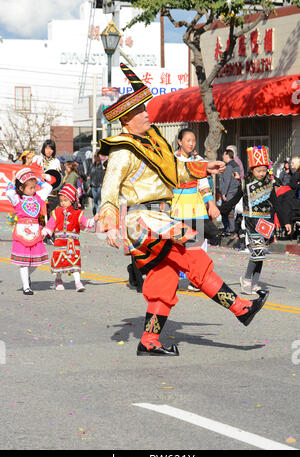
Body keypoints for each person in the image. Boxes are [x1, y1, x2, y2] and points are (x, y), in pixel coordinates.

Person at [97, 63, 269, 357]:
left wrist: (204, 167)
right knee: (193, 256)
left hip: (158, 217)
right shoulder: (122, 150)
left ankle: (149, 341)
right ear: (127, 119)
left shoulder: (152, 142)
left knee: (164, 278)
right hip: (143, 219)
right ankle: (240, 307)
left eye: (145, 108)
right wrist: (110, 224)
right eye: (140, 111)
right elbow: (109, 190)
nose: (146, 113)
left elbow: (177, 169)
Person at [171, 127, 220, 291]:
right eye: (188, 140)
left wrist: (211, 204)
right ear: (179, 142)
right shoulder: (172, 160)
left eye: (193, 141)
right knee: (176, 245)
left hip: (196, 207)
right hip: (177, 207)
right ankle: (171, 279)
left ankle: (196, 279)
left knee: (197, 245)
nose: (191, 144)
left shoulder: (199, 160)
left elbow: (204, 184)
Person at [238, 146, 292, 294]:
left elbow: (277, 205)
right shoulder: (245, 183)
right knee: (258, 251)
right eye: (258, 171)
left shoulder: (269, 184)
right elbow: (234, 199)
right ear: (252, 170)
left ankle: (255, 283)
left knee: (261, 253)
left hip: (264, 222)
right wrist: (221, 211)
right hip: (250, 221)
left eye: (264, 170)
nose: (261, 174)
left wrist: (285, 221)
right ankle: (247, 279)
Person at [5, 167, 55, 295]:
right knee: (24, 262)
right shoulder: (17, 199)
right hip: (22, 232)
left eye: (34, 187)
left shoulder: (37, 197)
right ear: (21, 188)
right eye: (30, 187)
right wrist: (12, 180)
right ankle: (26, 286)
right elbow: (9, 193)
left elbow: (49, 188)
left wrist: (38, 180)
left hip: (35, 231)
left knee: (36, 262)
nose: (33, 190)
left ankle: (26, 276)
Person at [42, 184, 98, 292]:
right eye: (61, 200)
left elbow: (86, 223)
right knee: (60, 262)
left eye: (65, 200)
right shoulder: (56, 212)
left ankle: (78, 282)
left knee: (74, 261)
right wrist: (44, 233)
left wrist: (94, 220)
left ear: (72, 200)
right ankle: (58, 280)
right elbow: (50, 225)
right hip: (59, 243)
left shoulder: (78, 213)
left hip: (72, 243)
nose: (62, 203)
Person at [87, 151, 106, 216]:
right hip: (93, 185)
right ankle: (95, 213)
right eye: (94, 156)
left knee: (98, 201)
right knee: (94, 201)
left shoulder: (102, 166)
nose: (95, 157)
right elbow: (89, 174)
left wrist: (102, 183)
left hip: (99, 186)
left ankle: (97, 214)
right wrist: (89, 181)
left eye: (97, 156)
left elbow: (104, 174)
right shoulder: (92, 165)